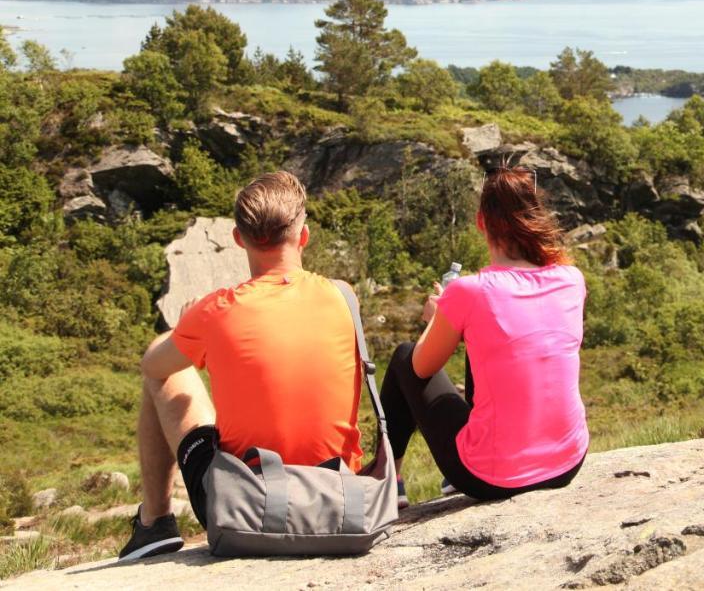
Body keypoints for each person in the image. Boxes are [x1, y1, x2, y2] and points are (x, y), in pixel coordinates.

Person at [119, 171, 364, 561]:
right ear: (304, 236)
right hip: (340, 496)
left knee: (163, 361)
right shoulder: (342, 296)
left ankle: (154, 523)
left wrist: (183, 328)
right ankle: (154, 523)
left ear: (238, 239)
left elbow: (152, 366)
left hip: (248, 508)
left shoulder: (215, 310)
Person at [381, 165, 589, 504]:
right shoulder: (572, 278)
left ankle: (387, 478)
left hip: (492, 478)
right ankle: (424, 479)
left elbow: (420, 368)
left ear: (481, 222)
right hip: (567, 462)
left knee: (405, 354)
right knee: (486, 341)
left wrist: (438, 320)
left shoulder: (470, 292)